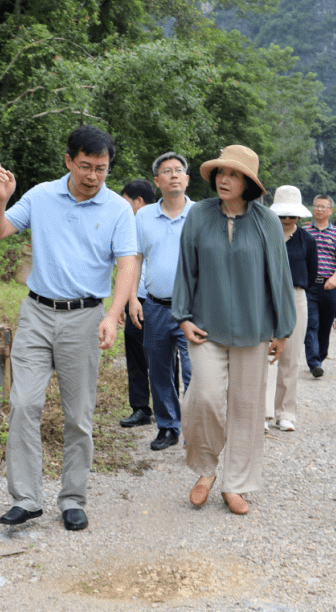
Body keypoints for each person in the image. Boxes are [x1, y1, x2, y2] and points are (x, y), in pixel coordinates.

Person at [0, 126, 137, 532]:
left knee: (79, 417)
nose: (93, 176)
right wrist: (0, 201)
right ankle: (27, 499)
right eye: (85, 166)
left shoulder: (118, 210)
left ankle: (72, 499)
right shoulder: (40, 196)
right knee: (24, 404)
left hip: (85, 317)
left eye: (101, 168)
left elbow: (127, 265)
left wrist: (112, 314)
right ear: (69, 161)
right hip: (36, 314)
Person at [172, 145, 297, 515]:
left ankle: (236, 484)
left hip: (254, 327)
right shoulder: (198, 215)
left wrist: (283, 328)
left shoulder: (267, 222)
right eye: (221, 173)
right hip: (205, 327)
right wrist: (183, 316)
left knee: (246, 407)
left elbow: (280, 276)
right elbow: (186, 268)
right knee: (204, 398)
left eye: (234, 174)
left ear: (249, 183)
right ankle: (206, 470)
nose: (224, 180)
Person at [127, 153, 195, 451]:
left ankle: (197, 431)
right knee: (159, 371)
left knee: (196, 373)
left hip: (193, 309)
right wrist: (132, 298)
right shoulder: (143, 216)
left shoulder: (201, 214)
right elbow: (135, 259)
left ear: (187, 178)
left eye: (179, 170)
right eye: (166, 171)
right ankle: (168, 427)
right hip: (154, 306)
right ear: (157, 181)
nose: (174, 175)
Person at [265, 185, 317, 432]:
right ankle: (264, 413)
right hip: (265, 298)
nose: (287, 220)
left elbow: (313, 272)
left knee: (291, 357)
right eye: (283, 215)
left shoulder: (307, 239)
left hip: (296, 297)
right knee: (266, 356)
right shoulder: (264, 235)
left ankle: (285, 412)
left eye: (292, 216)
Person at [118, 179, 157, 430]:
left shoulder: (153, 224)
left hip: (156, 299)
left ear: (139, 202)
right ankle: (141, 407)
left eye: (126, 202)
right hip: (135, 296)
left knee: (162, 356)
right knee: (135, 353)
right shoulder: (128, 225)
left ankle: (169, 408)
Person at [303, 195, 336, 378]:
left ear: (330, 211)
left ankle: (320, 357)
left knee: (325, 324)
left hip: (330, 286)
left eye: (323, 207)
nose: (319, 209)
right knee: (311, 323)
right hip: (309, 286)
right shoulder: (305, 231)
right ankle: (314, 362)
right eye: (316, 206)